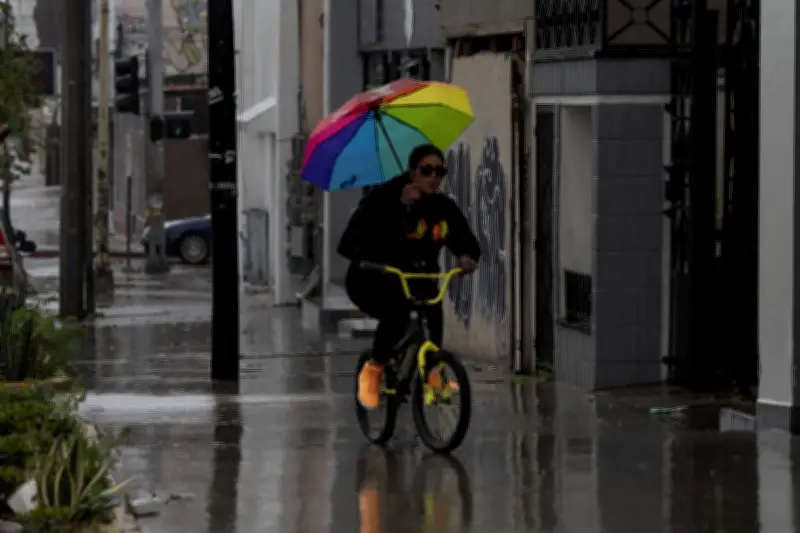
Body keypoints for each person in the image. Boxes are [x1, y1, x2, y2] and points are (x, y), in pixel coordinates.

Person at [338, 143, 481, 410]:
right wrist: (398, 207)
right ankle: (374, 368)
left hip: (418, 278)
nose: (434, 177)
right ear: (412, 172)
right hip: (372, 279)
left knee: (432, 316)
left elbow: (465, 239)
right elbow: (349, 244)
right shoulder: (383, 199)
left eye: (440, 171)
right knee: (397, 315)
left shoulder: (442, 207)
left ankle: (432, 375)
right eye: (427, 170)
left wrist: (466, 256)